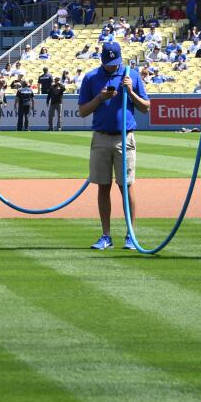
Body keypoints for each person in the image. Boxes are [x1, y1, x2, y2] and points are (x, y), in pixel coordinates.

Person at [77, 41, 150, 251]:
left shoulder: (131, 75)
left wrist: (130, 92)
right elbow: (83, 111)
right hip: (100, 136)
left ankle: (131, 235)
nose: (111, 67)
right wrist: (100, 97)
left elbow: (146, 107)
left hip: (124, 138)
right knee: (103, 186)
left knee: (126, 187)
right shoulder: (91, 77)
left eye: (114, 63)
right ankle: (106, 235)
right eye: (108, 63)